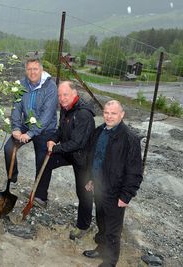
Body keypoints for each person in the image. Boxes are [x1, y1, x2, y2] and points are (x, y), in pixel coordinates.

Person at [82, 100, 143, 267]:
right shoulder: (98, 131)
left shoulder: (130, 139)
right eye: (106, 112)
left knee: (113, 230)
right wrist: (90, 178)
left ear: (122, 115)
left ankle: (110, 261)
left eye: (113, 113)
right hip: (99, 188)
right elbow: (92, 157)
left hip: (116, 193)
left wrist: (126, 195)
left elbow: (135, 172)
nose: (109, 116)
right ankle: (101, 249)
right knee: (101, 223)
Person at [35, 81, 95, 240]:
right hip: (69, 151)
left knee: (83, 192)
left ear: (75, 94)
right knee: (45, 160)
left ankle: (83, 226)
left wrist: (55, 149)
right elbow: (61, 131)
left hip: (84, 157)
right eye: (60, 95)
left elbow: (77, 143)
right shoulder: (66, 108)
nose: (62, 98)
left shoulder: (84, 114)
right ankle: (41, 197)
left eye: (65, 94)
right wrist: (53, 140)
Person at [3, 57, 58, 203]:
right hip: (26, 124)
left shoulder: (51, 87)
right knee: (9, 148)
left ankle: (40, 196)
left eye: (35, 69)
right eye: (29, 69)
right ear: (26, 70)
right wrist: (15, 128)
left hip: (45, 129)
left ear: (41, 70)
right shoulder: (21, 84)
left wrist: (30, 134)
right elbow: (16, 107)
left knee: (42, 160)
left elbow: (47, 115)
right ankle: (12, 176)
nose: (32, 72)